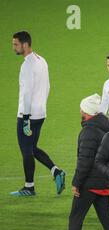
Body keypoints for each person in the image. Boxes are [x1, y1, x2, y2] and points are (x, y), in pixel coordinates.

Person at [47, 94, 109, 230]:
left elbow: (85, 161)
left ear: (87, 112)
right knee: (107, 220)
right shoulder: (108, 127)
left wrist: (76, 183)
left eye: (82, 109)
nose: (80, 111)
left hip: (89, 183)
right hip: (103, 181)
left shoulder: (88, 131)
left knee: (75, 219)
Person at [11, 31, 66, 197]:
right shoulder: (42, 60)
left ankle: (29, 187)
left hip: (27, 115)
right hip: (40, 113)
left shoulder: (27, 65)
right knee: (32, 148)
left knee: (26, 150)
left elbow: (26, 93)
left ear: (25, 45)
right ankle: (56, 171)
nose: (13, 47)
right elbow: (47, 87)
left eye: (15, 44)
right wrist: (40, 106)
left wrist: (26, 118)